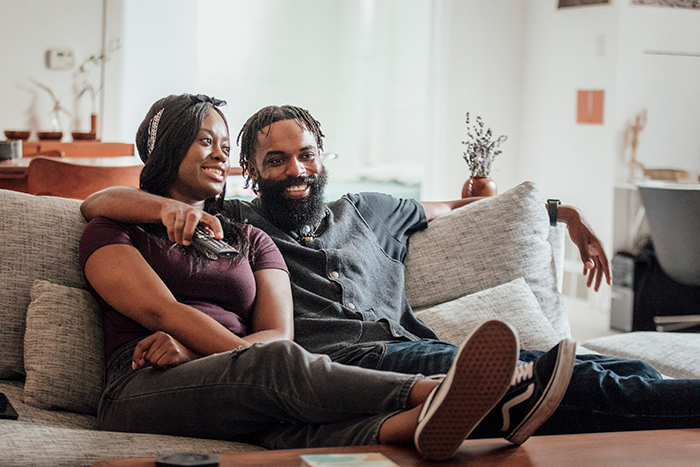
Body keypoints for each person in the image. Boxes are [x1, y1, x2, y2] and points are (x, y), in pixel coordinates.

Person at [81, 102, 700, 437]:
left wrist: (562, 214)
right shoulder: (239, 222)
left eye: (305, 156)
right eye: (275, 161)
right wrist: (164, 204)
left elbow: (465, 210)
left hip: (410, 347)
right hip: (351, 364)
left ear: (323, 158)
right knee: (574, 383)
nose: (295, 171)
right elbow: (99, 204)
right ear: (252, 171)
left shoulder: (370, 211)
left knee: (608, 367)